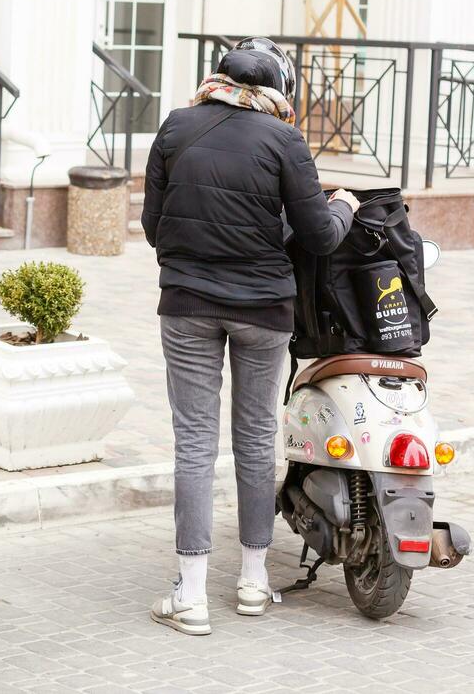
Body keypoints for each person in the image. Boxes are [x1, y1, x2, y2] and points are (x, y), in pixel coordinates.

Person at [142, 37, 358, 636]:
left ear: (219, 78)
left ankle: (189, 596)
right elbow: (318, 236)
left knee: (193, 444)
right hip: (265, 310)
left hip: (186, 304)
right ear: (278, 90)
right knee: (257, 439)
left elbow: (153, 228)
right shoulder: (284, 139)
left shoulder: (176, 126)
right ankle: (254, 582)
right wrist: (342, 206)